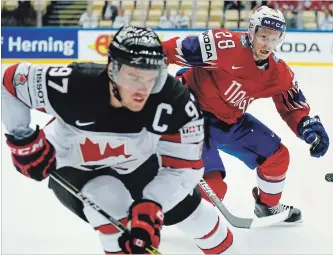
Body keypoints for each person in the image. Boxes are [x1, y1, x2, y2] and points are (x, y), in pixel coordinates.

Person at [2, 26, 234, 254]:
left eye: (152, 77)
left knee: (199, 218)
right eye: (134, 76)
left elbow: (185, 168)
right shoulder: (74, 84)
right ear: (112, 69)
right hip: (73, 164)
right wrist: (23, 140)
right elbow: (10, 81)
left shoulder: (177, 102)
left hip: (137, 162)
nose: (142, 90)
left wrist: (152, 204)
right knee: (110, 204)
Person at [162, 6, 329, 222]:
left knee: (278, 157)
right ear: (251, 32)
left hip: (230, 121)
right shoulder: (222, 45)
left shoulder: (278, 73)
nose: (268, 44)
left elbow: (293, 105)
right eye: (263, 36)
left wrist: (307, 126)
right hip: (192, 117)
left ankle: (267, 207)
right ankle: (153, 209)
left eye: (274, 38)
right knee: (212, 189)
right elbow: (166, 51)